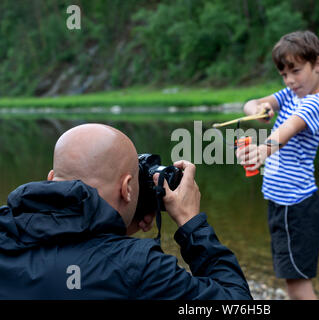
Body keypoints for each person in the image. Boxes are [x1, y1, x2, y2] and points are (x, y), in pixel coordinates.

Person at [0, 123, 252, 300]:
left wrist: (115, 226)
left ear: (52, 178)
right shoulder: (138, 267)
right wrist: (191, 223)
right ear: (127, 188)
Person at [236, 30, 319, 300]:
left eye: (296, 71)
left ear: (318, 64)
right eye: (283, 74)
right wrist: (257, 111)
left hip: (297, 206)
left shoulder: (317, 104)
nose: (290, 80)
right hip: (282, 203)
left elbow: (289, 128)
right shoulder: (292, 94)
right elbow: (251, 103)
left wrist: (263, 150)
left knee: (298, 285)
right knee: (292, 281)